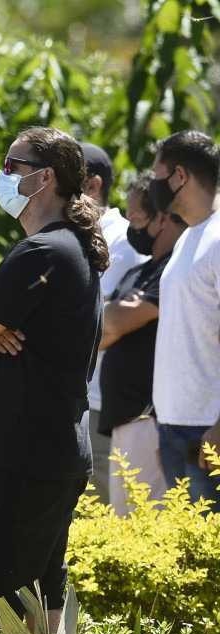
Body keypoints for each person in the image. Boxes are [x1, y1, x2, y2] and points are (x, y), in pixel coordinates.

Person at [0, 127, 106, 634]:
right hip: (51, 455)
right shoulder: (70, 249)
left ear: (45, 179)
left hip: (20, 458)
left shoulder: (40, 251)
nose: (2, 174)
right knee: (42, 608)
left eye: (11, 165)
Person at [97, 173, 183, 514]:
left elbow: (117, 321)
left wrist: (115, 319)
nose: (132, 226)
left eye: (136, 217)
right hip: (124, 421)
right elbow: (103, 334)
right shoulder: (140, 272)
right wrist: (116, 320)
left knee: (143, 523)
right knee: (123, 523)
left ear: (161, 217)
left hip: (149, 420)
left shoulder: (172, 269)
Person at [149, 130, 220, 503]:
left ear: (179, 176)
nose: (152, 184)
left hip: (207, 431)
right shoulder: (190, 238)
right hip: (176, 427)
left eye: (157, 174)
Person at [80, 142, 148, 504]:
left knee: (107, 513)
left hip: (106, 408)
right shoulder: (71, 239)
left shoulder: (125, 241)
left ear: (92, 186)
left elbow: (107, 323)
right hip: (75, 402)